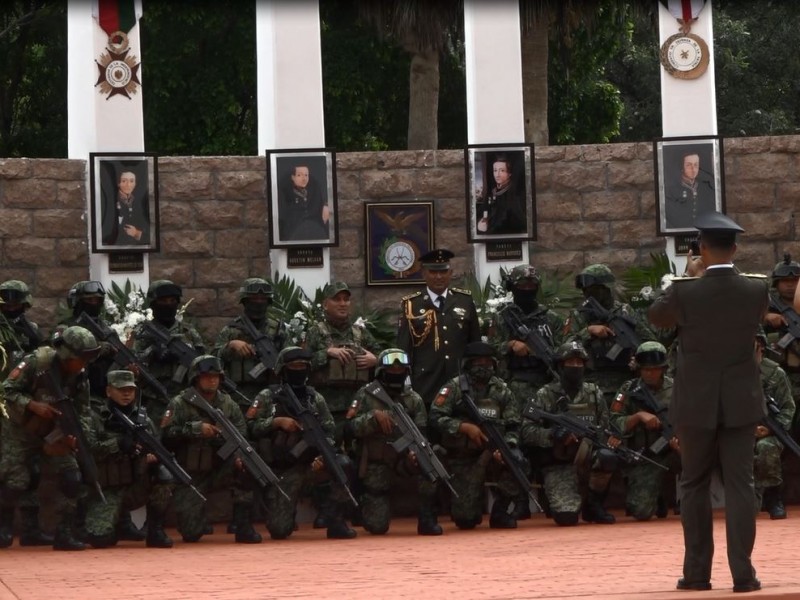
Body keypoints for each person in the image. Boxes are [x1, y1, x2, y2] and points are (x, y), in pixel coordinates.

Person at [648, 211, 768, 593]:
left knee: (694, 483)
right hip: (741, 400)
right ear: (735, 248)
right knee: (741, 485)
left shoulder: (685, 289)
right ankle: (743, 575)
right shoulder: (756, 288)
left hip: (696, 402)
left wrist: (689, 276)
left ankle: (697, 573)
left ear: (701, 248)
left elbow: (657, 316)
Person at [0, 326, 101, 551]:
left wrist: (75, 437)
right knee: (16, 481)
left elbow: (83, 411)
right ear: (67, 355)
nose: (84, 363)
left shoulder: (80, 376)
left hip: (54, 431)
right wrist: (33, 405)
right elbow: (6, 390)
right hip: (20, 430)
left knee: (72, 477)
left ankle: (64, 533)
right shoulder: (37, 363)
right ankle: (4, 525)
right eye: (81, 358)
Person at [246, 347, 357, 540]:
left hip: (314, 464)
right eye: (293, 366)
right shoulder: (268, 396)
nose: (298, 370)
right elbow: (249, 426)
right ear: (283, 368)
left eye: (302, 367)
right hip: (284, 469)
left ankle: (335, 520)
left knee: (343, 465)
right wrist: (276, 422)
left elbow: (330, 431)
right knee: (279, 530)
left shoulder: (315, 398)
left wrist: (324, 455)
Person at [161, 355, 262, 544]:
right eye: (207, 376)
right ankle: (198, 519)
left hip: (220, 466)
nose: (212, 380)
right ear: (196, 378)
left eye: (216, 376)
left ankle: (243, 525)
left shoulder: (228, 404)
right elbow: (165, 436)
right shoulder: (180, 403)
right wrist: (195, 429)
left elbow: (242, 434)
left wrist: (238, 455)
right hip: (190, 473)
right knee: (191, 534)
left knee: (248, 465)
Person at [491, 263, 564, 519]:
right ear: (513, 288)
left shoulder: (551, 318)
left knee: (546, 440)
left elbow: (562, 351)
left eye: (532, 286)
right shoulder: (503, 318)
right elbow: (489, 349)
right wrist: (510, 345)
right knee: (519, 443)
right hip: (516, 385)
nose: (527, 290)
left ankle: (552, 498)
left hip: (546, 385)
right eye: (522, 286)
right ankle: (520, 499)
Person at [345, 348, 442, 536]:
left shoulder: (414, 399)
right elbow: (348, 429)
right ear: (381, 372)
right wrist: (373, 418)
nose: (396, 375)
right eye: (391, 372)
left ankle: (427, 516)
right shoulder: (366, 394)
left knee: (431, 460)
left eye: (400, 372)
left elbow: (422, 431)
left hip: (405, 459)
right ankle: (366, 504)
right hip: (377, 462)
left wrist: (417, 453)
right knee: (377, 527)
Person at [520, 340, 618, 526]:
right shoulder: (545, 394)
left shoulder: (594, 393)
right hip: (559, 463)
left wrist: (606, 440)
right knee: (567, 518)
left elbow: (605, 427)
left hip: (588, 457)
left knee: (607, 457)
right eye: (570, 363)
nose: (575, 367)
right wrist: (553, 434)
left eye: (579, 363)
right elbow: (526, 431)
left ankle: (593, 504)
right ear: (560, 366)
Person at [428, 341, 522, 530]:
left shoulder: (502, 390)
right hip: (463, 457)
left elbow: (514, 425)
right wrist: (463, 427)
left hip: (494, 452)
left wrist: (508, 446)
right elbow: (435, 417)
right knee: (466, 520)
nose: (483, 367)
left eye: (487, 362)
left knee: (516, 461)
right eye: (478, 362)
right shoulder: (455, 387)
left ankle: (501, 512)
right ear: (468, 364)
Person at [81, 370, 174, 548]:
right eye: (121, 389)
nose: (126, 394)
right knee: (99, 539)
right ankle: (119, 523)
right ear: (109, 391)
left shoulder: (143, 419)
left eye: (130, 390)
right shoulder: (95, 417)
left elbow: (156, 444)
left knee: (164, 477)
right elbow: (90, 449)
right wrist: (118, 443)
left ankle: (155, 530)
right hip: (107, 487)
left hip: (135, 484)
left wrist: (151, 457)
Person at [397, 249, 481, 409]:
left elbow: (475, 343)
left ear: (451, 273)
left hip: (459, 382)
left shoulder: (464, 301)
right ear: (423, 273)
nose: (438, 277)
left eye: (443, 271)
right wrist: (405, 382)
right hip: (425, 383)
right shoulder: (412, 305)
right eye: (433, 272)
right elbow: (403, 348)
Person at [565, 264, 657, 405]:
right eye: (585, 290)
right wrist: (588, 331)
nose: (588, 294)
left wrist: (639, 358)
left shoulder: (625, 311)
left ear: (605, 289)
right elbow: (565, 347)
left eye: (593, 290)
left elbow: (649, 341)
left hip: (625, 382)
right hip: (591, 385)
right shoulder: (578, 315)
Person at [609, 341, 680, 521]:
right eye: (645, 369)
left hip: (675, 451)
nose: (649, 373)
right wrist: (638, 416)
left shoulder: (678, 388)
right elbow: (613, 421)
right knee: (640, 511)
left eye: (655, 369)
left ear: (663, 368)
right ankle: (656, 496)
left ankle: (687, 500)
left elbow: (694, 418)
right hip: (646, 455)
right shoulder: (629, 389)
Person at [132, 280, 206, 424]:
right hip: (154, 399)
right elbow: (132, 361)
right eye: (163, 301)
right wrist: (153, 352)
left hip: (185, 399)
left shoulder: (188, 332)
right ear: (153, 304)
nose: (168, 305)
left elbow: (202, 360)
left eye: (172, 301)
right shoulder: (143, 331)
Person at [214, 277, 286, 414]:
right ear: (245, 301)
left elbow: (291, 357)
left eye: (262, 299)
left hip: (271, 396)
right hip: (237, 397)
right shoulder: (231, 330)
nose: (258, 302)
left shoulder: (278, 329)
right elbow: (212, 359)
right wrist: (230, 345)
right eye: (254, 298)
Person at [754, 330, 795, 520]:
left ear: (760, 346)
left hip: (770, 431)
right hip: (737, 430)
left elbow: (787, 408)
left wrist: (770, 428)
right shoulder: (730, 374)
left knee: (766, 447)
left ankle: (773, 497)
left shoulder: (775, 373)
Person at [763, 254, 800, 437]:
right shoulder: (766, 305)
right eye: (785, 281)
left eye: (795, 280)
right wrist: (765, 317)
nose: (790, 285)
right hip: (779, 378)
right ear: (776, 283)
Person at [663, 151, 716, 230]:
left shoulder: (705, 188)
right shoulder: (672, 189)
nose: (693, 169)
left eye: (696, 165)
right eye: (688, 165)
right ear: (682, 167)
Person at [475, 154, 526, 235]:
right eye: (495, 170)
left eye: (502, 170)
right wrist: (479, 223)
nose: (497, 174)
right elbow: (480, 212)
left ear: (509, 174)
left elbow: (515, 222)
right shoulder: (492, 193)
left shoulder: (514, 196)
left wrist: (488, 227)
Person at [277, 164, 330, 241]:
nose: (304, 178)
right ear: (293, 177)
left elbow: (323, 200)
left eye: (306, 175)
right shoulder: (285, 192)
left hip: (315, 231)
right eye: (299, 175)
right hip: (293, 233)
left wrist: (326, 205)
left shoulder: (314, 189)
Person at [102, 168, 149, 246]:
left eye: (131, 181)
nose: (128, 185)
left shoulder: (139, 202)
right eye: (124, 181)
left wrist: (136, 233)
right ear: (118, 183)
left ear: (135, 183)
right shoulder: (110, 201)